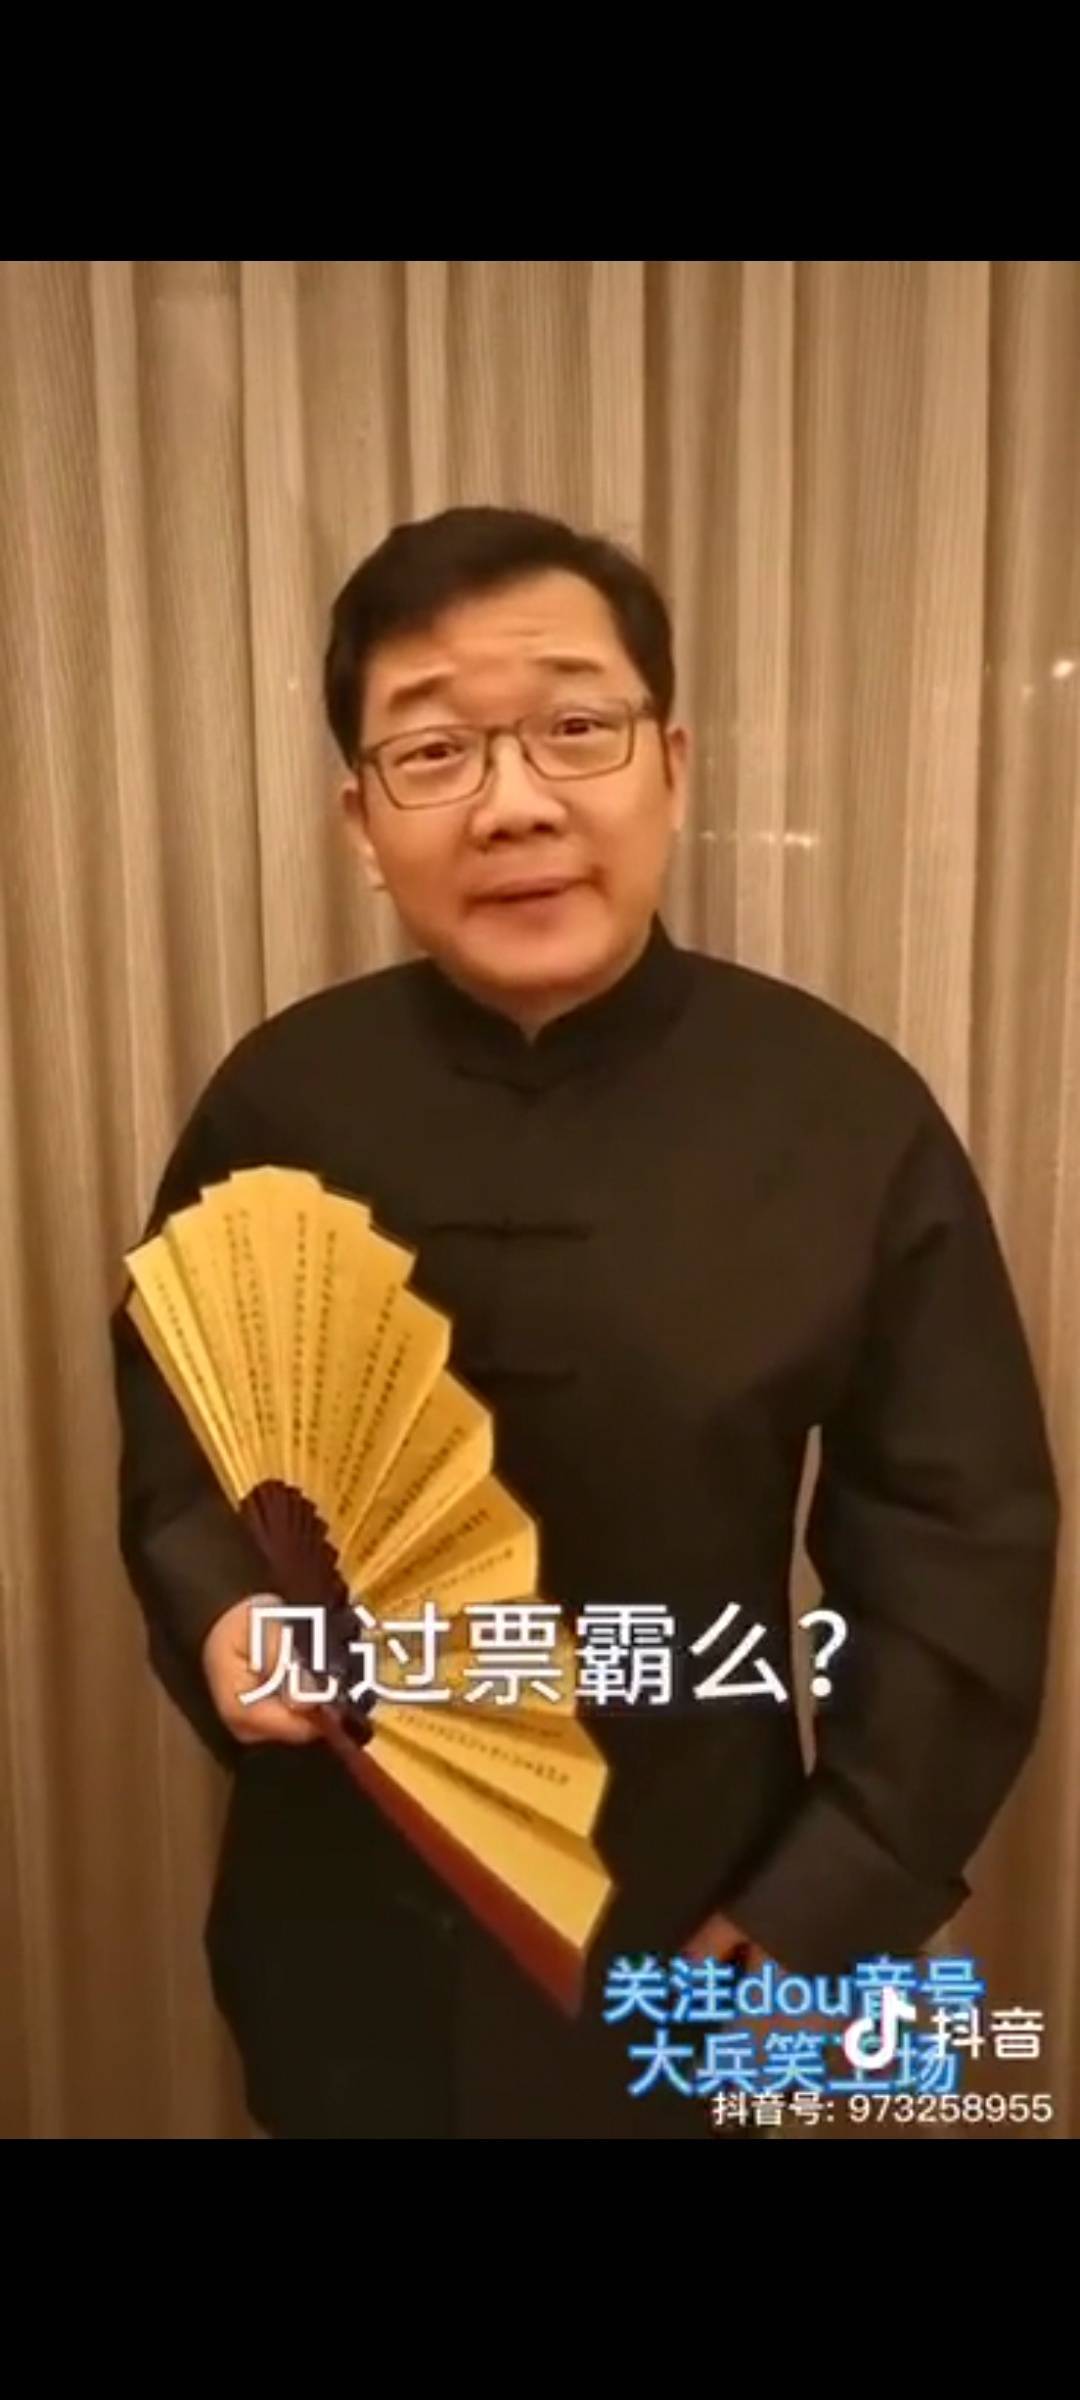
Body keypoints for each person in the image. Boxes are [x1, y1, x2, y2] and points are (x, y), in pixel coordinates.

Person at [110, 505, 1061, 2140]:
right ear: (362, 820)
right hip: (337, 1924)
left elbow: (955, 1553)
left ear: (670, 766)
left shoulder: (845, 1113)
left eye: (574, 726)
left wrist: (824, 1909)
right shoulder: (279, 1096)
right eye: (435, 752)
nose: (516, 804)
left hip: (705, 1915)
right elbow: (179, 1423)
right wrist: (219, 1611)